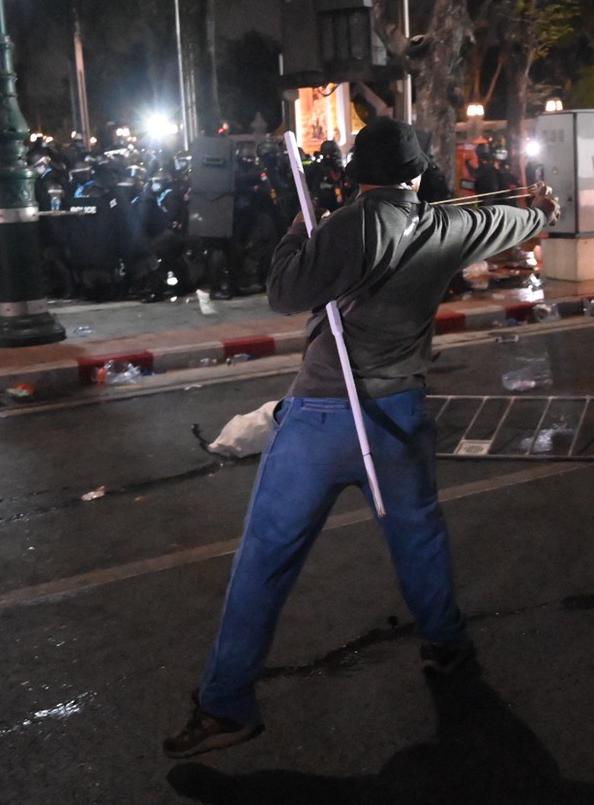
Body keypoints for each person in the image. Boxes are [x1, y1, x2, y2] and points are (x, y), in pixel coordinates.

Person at [165, 116, 560, 759]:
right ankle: (446, 643)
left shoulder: (348, 224)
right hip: (396, 416)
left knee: (265, 560)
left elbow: (284, 293)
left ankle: (226, 703)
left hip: (321, 419)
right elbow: (515, 222)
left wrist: (299, 233)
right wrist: (541, 207)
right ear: (416, 174)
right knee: (419, 538)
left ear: (359, 174)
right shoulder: (448, 225)